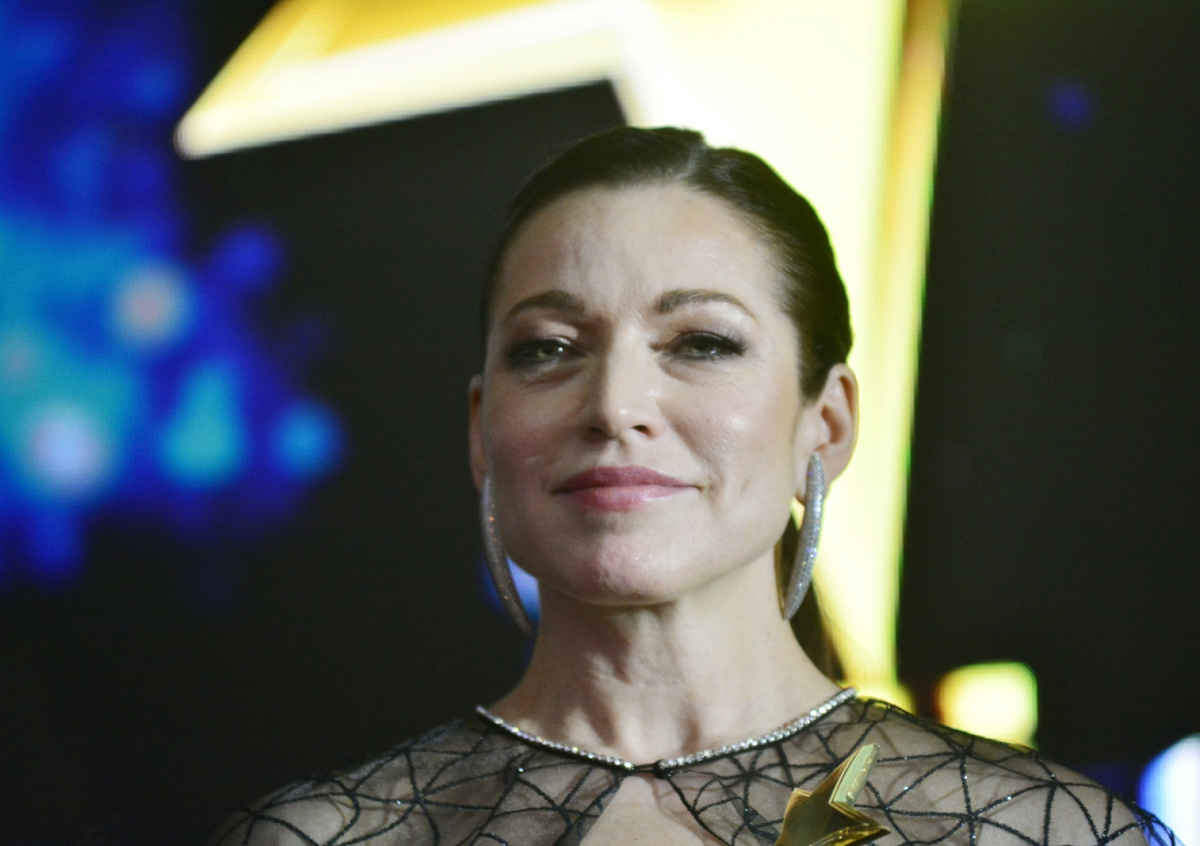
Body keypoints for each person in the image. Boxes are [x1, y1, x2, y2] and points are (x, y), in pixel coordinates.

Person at [210, 127, 1177, 846]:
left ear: (828, 422)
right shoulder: (325, 839)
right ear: (480, 430)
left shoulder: (1033, 832)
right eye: (549, 349)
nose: (615, 405)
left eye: (702, 343)